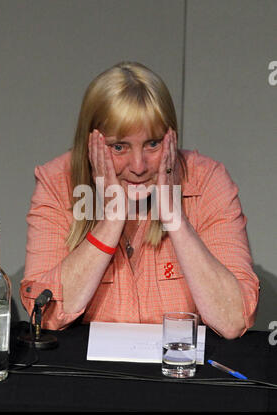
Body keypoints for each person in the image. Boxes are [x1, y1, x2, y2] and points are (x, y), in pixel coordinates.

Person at [20, 61, 259, 339]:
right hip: (90, 376)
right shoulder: (57, 182)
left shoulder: (208, 180)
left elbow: (233, 321)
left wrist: (174, 217)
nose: (138, 165)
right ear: (90, 144)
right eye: (119, 146)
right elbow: (45, 315)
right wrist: (111, 220)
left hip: (180, 373)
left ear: (172, 137)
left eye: (152, 144)